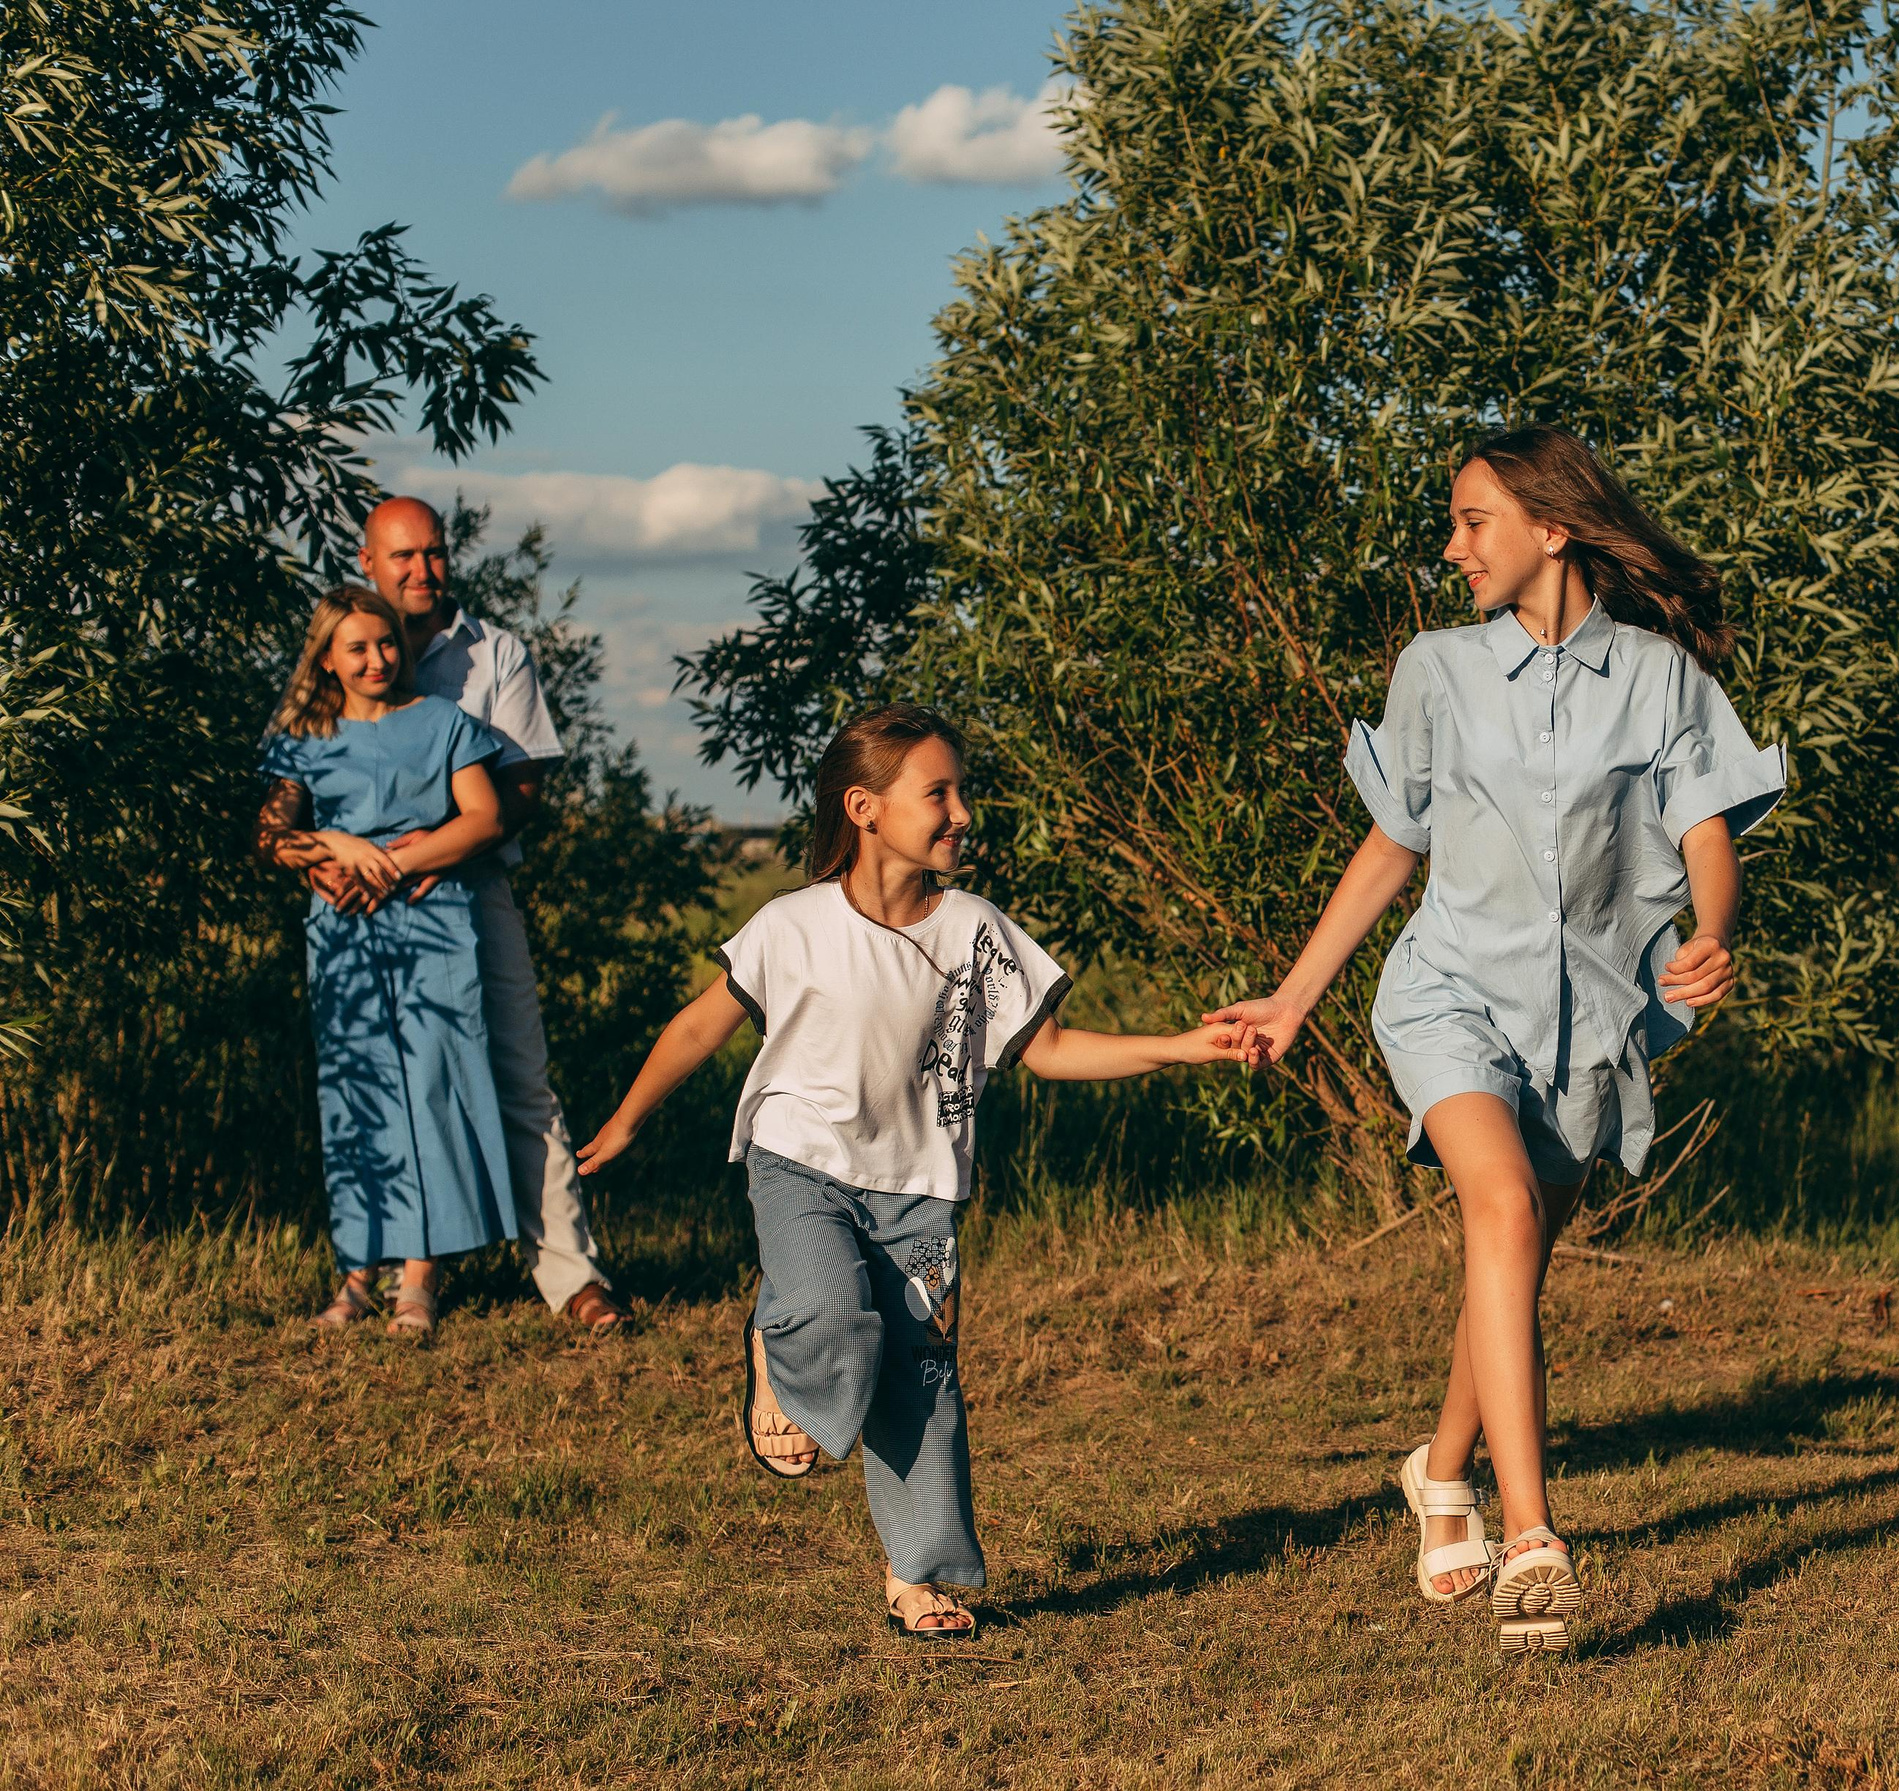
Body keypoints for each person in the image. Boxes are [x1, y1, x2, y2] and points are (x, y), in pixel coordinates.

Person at [1207, 425, 1787, 1654]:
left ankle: (1442, 1471)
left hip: (1592, 1015)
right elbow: (1393, 842)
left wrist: (1714, 931)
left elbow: (1705, 833)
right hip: (1449, 992)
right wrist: (1298, 995)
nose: (1454, 543)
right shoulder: (1436, 667)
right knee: (1504, 1211)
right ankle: (1533, 1540)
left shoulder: (1660, 676)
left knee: (1511, 1253)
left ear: (1551, 527)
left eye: (1474, 520)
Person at [574, 704, 1254, 1639]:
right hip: (799, 1161)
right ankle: (782, 1345)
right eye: (939, 792)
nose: (962, 811)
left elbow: (1050, 1048)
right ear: (864, 807)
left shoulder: (975, 930)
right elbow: (701, 1025)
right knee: (829, 1310)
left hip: (920, 1190)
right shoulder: (791, 924)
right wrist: (624, 1120)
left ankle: (918, 1574)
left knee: (922, 1378)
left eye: (961, 791)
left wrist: (1181, 1046)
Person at [334, 496, 628, 1332]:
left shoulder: (495, 655)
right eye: (403, 557)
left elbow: (524, 787)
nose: (422, 570)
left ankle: (573, 1277)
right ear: (368, 561)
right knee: (380, 1082)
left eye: (433, 553)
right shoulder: (345, 649)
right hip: (366, 901)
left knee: (519, 1079)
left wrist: (437, 848)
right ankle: (385, 1274)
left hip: (473, 888)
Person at [255, 587, 519, 1338]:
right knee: (356, 1094)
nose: (377, 659)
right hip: (342, 931)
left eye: (387, 643)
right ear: (327, 659)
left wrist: (395, 865)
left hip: (434, 924)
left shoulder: (440, 723)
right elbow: (274, 837)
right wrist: (337, 847)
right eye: (358, 648)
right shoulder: (303, 736)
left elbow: (486, 818)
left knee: (433, 1087)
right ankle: (355, 1276)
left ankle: (420, 1282)